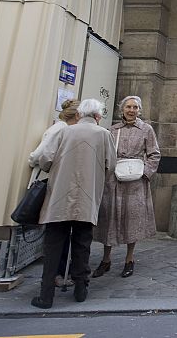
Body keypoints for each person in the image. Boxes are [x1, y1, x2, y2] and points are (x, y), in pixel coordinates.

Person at [30, 99, 116, 309]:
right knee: (82, 245)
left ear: (79, 115)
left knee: (53, 247)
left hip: (59, 196)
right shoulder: (104, 134)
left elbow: (44, 159)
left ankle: (46, 295)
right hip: (86, 198)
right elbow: (111, 165)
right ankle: (80, 289)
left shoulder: (63, 132)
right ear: (98, 116)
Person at [92, 95, 161, 279]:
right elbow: (104, 154)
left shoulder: (146, 130)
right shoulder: (112, 130)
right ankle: (106, 259)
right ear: (122, 109)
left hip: (135, 182)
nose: (131, 110)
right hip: (113, 180)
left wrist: (145, 174)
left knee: (133, 220)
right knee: (109, 219)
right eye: (128, 107)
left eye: (135, 107)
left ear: (140, 110)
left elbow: (154, 154)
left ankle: (129, 259)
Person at [28, 99, 80, 287]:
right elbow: (40, 156)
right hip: (51, 185)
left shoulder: (64, 129)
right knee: (57, 233)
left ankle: (58, 273)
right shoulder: (60, 129)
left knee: (60, 232)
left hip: (58, 186)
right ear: (77, 115)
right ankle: (56, 274)